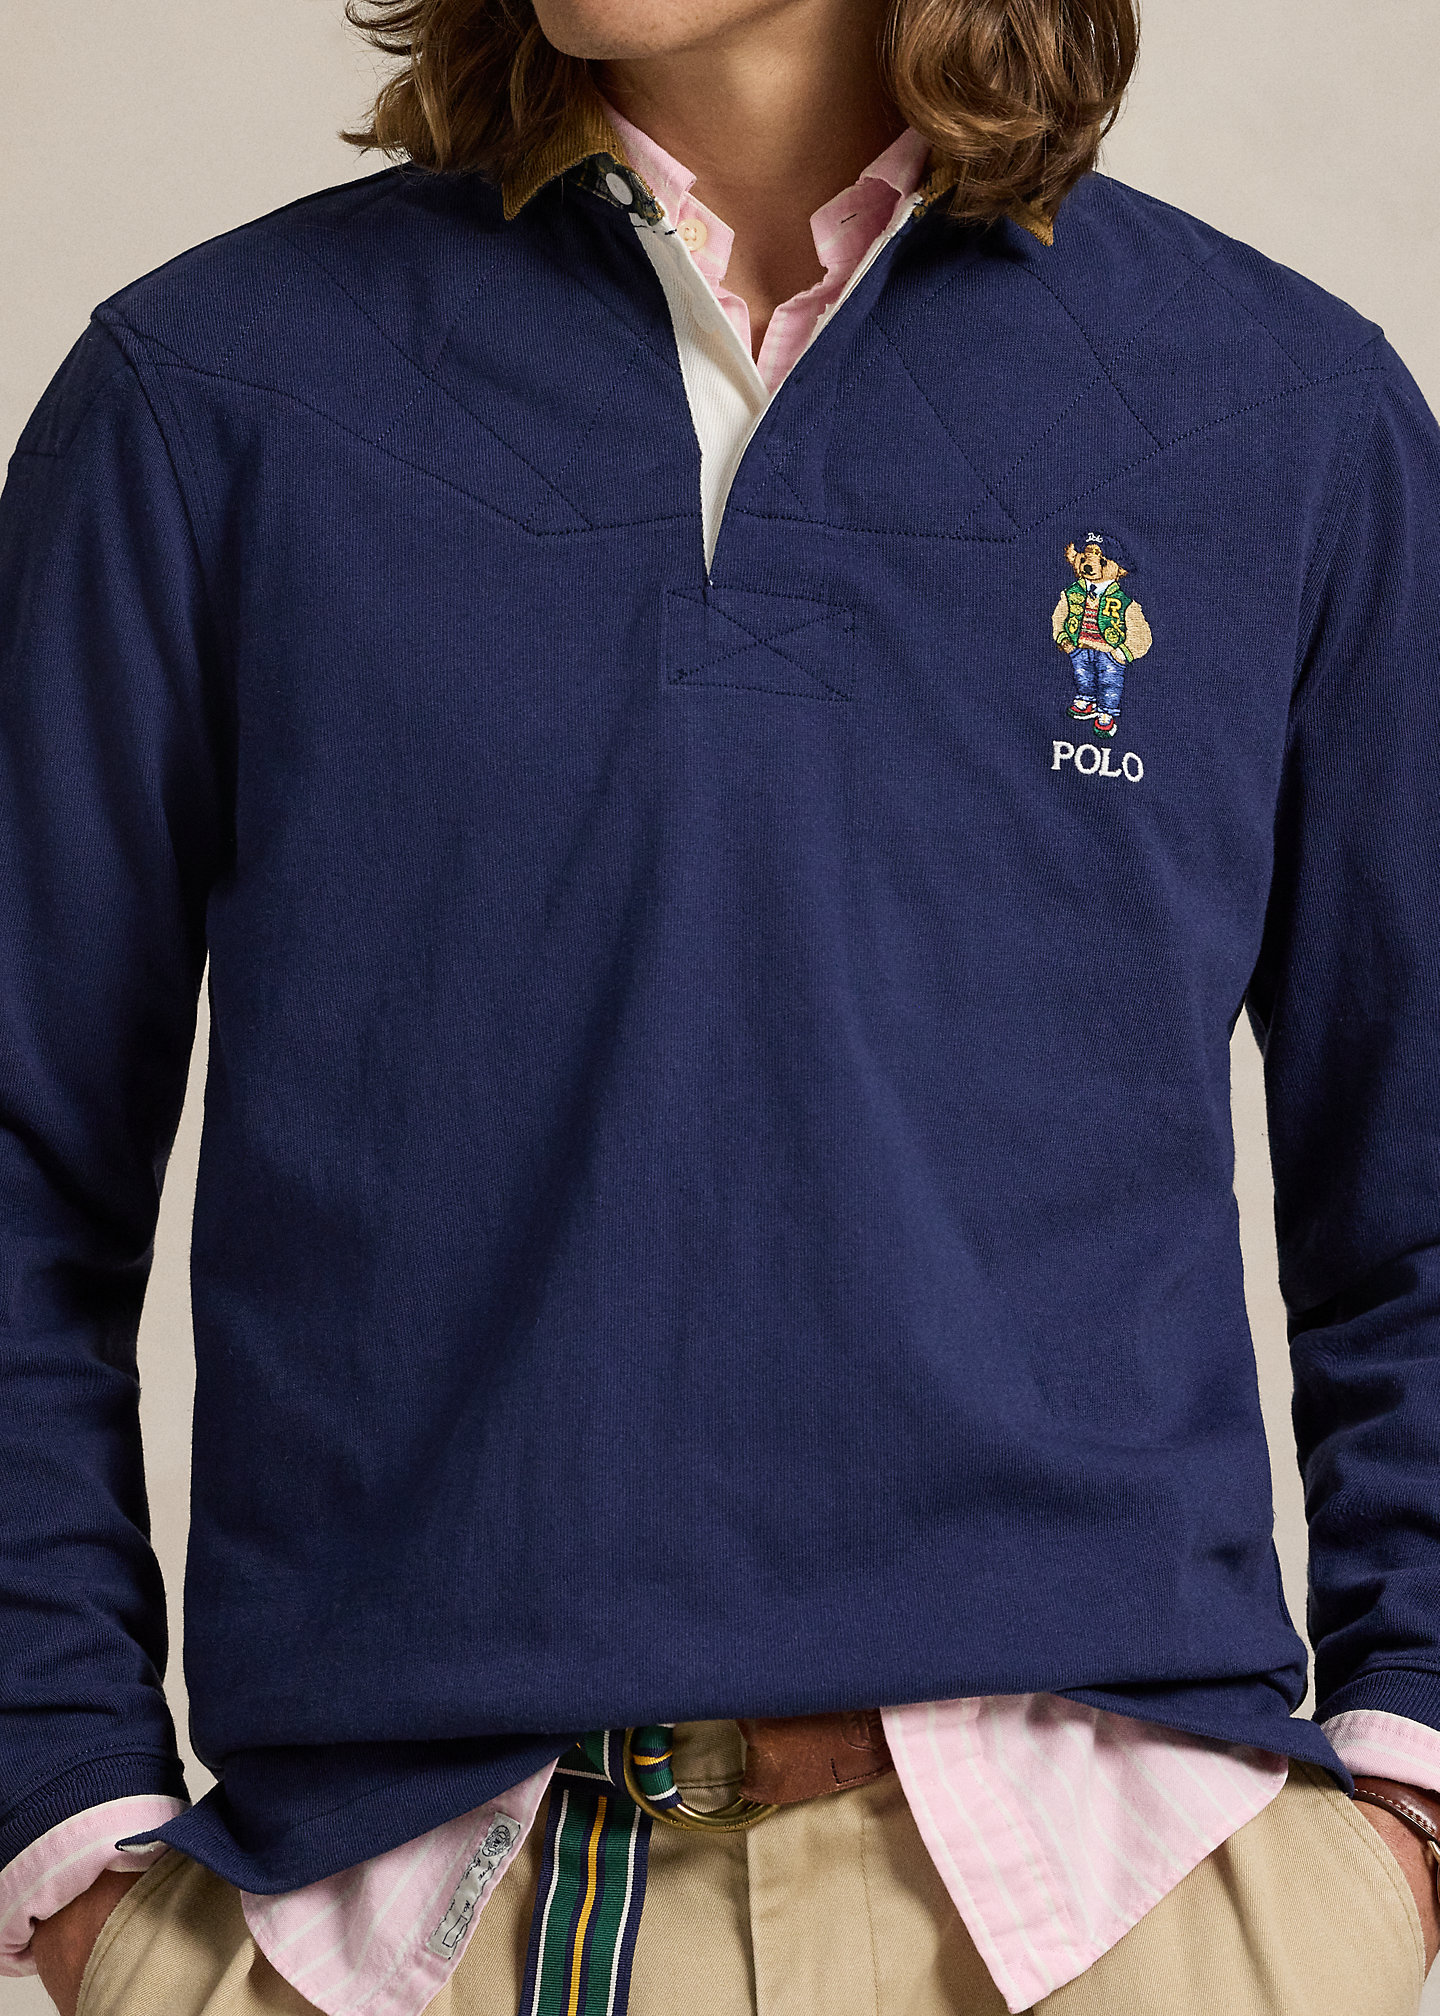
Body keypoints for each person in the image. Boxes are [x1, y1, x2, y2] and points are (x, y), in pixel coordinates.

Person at [2, 0, 1440, 2011]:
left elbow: (1417, 1182)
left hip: (1134, 1902)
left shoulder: (1279, 407)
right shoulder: (208, 392)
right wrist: (64, 1816)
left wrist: (1405, 1800)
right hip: (406, 1922)